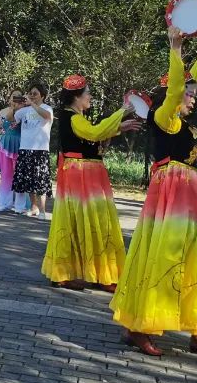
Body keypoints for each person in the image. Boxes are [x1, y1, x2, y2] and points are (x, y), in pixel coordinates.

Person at [111, 24, 197, 360]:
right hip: (172, 196)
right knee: (165, 257)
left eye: (193, 93)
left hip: (190, 196)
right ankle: (141, 326)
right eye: (189, 94)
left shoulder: (183, 121)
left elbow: (188, 78)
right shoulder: (165, 116)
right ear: (174, 95)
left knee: (196, 260)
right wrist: (176, 46)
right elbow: (181, 81)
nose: (193, 97)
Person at [43, 75, 141, 292]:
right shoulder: (73, 118)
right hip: (82, 175)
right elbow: (94, 133)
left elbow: (92, 135)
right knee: (95, 222)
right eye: (87, 93)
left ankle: (70, 273)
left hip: (83, 174)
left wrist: (118, 128)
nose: (90, 97)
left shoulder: (76, 118)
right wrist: (121, 112)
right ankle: (99, 274)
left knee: (78, 222)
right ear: (77, 97)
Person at [12, 81, 54, 219]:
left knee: (41, 181)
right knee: (28, 181)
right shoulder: (24, 110)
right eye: (30, 93)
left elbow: (47, 117)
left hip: (40, 150)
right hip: (25, 148)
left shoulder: (47, 108)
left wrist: (32, 104)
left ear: (42, 95)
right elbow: (11, 118)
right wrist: (17, 106)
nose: (32, 96)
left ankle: (43, 211)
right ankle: (34, 207)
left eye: (35, 94)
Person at [0, 91, 27, 212]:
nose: (16, 99)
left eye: (19, 96)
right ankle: (3, 203)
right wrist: (13, 109)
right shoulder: (3, 111)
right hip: (5, 144)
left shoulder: (25, 111)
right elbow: (0, 128)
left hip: (20, 144)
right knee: (6, 175)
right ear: (9, 98)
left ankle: (20, 206)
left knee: (20, 175)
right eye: (14, 96)